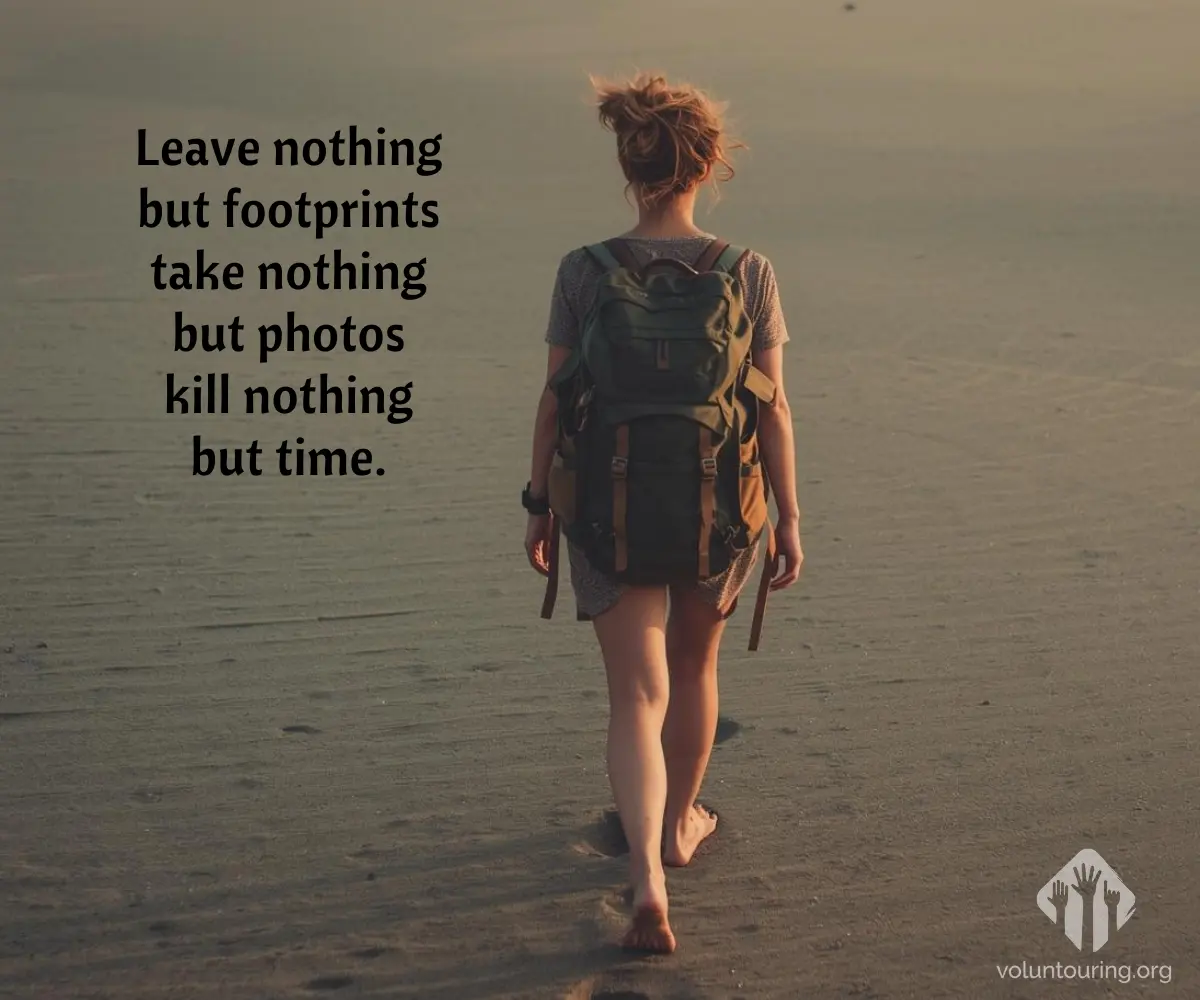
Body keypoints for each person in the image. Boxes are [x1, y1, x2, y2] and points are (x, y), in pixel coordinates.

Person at [522, 72, 804, 955]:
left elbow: (553, 396)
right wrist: (789, 518)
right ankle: (681, 829)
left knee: (633, 695)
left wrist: (539, 505)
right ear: (707, 165)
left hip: (607, 507)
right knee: (693, 671)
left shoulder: (585, 269)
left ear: (628, 161)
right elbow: (773, 408)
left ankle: (645, 878)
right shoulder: (746, 272)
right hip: (718, 510)